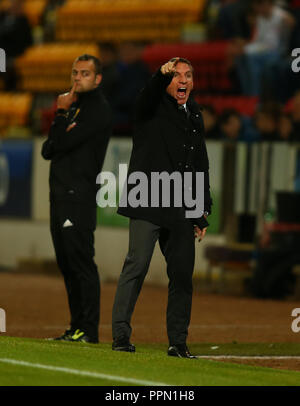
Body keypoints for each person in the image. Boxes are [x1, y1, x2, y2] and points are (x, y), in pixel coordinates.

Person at [112, 57, 213, 358]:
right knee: (137, 264)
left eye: (188, 76)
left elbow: (199, 164)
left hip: (181, 205)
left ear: (193, 83)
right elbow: (144, 98)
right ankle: (120, 336)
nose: (182, 80)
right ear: (167, 82)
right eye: (176, 76)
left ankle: (178, 343)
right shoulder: (151, 106)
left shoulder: (194, 113)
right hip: (148, 198)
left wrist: (200, 210)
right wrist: (160, 73)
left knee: (182, 274)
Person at [41, 54, 112, 343]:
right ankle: (76, 326)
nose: (77, 78)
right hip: (59, 195)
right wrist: (62, 119)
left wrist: (59, 116)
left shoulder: (97, 111)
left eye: (84, 73)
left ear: (97, 79)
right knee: (67, 262)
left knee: (81, 260)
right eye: (74, 73)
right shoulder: (73, 109)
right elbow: (48, 150)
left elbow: (63, 143)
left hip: (78, 196)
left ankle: (89, 330)